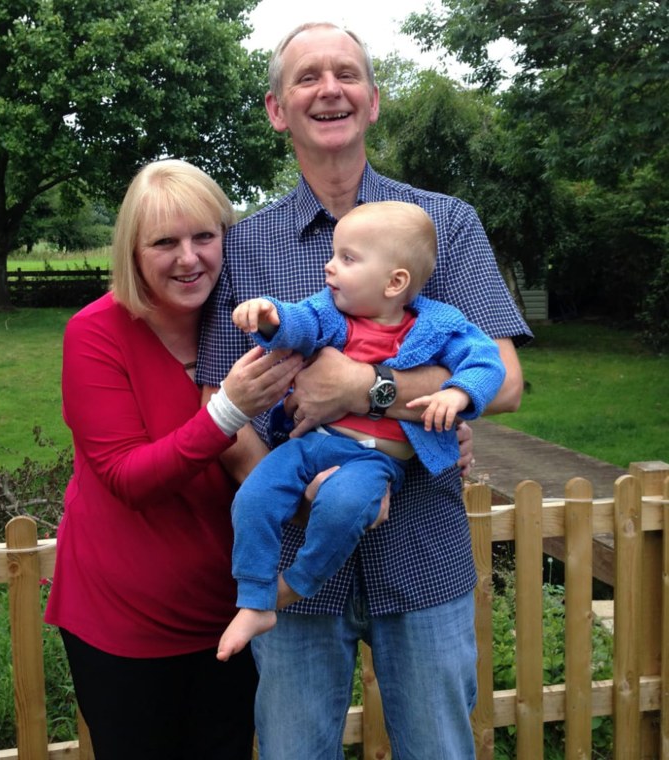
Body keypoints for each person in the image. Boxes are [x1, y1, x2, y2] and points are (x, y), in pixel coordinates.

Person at [198, 22, 533, 760]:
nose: (330, 89)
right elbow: (219, 407)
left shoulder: (441, 226)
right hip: (295, 573)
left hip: (422, 548)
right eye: (307, 77)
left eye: (346, 73)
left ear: (374, 101)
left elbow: (503, 378)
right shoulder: (243, 245)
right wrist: (316, 487)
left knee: (440, 749)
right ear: (277, 108)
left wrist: (365, 387)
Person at [44, 159, 304, 759]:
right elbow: (128, 478)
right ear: (133, 251)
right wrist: (227, 412)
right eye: (165, 242)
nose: (189, 258)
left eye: (204, 237)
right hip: (123, 623)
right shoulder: (96, 333)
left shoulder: (249, 326)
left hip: (229, 610)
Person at [217, 200, 506, 661]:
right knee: (252, 499)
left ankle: (293, 585)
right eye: (334, 255)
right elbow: (300, 323)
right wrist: (271, 316)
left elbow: (487, 362)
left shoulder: (439, 324)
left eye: (347, 259)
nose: (329, 267)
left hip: (374, 459)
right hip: (311, 442)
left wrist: (459, 395)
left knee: (343, 507)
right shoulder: (330, 311)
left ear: (395, 282)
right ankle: (254, 597)